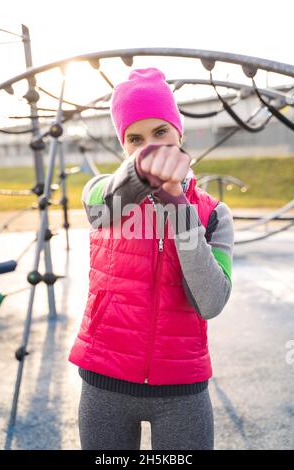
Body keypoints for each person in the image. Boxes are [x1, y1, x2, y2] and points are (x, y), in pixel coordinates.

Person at [68, 67, 234, 450]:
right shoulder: (101, 194)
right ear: (123, 146)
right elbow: (106, 203)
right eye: (135, 138)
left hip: (182, 390)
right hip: (104, 382)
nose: (150, 145)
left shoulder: (213, 214)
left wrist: (178, 204)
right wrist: (142, 172)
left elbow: (210, 303)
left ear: (180, 134)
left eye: (161, 133)